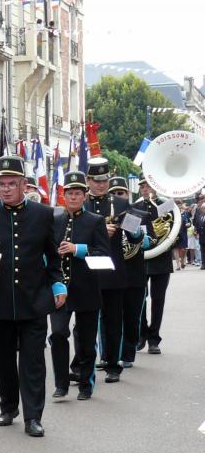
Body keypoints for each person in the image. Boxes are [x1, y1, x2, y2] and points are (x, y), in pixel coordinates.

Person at [0, 157, 66, 437]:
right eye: (2, 184)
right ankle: (8, 406)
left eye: (13, 183)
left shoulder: (44, 214)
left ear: (24, 184)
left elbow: (52, 256)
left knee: (33, 361)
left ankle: (33, 416)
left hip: (34, 300)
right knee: (4, 360)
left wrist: (58, 285)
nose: (7, 189)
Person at [51, 171, 110, 401]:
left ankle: (86, 383)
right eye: (70, 193)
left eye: (78, 193)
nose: (73, 197)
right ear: (64, 195)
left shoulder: (94, 221)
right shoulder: (55, 220)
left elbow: (104, 255)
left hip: (86, 289)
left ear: (84, 196)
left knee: (86, 341)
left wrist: (78, 249)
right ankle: (61, 383)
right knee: (57, 334)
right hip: (60, 289)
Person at [84, 157, 142, 382]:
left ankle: (112, 363)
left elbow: (134, 235)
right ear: (88, 180)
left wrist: (136, 230)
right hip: (87, 269)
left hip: (113, 268)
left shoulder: (119, 204)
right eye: (96, 180)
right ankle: (87, 360)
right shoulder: (82, 203)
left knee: (113, 318)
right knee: (86, 320)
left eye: (104, 180)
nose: (100, 184)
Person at [135, 179, 171, 354]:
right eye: (142, 186)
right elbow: (128, 231)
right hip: (140, 259)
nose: (144, 189)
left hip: (161, 259)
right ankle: (141, 333)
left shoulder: (165, 205)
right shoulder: (135, 207)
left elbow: (174, 229)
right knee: (139, 300)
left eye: (148, 185)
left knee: (158, 300)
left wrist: (164, 243)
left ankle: (154, 338)